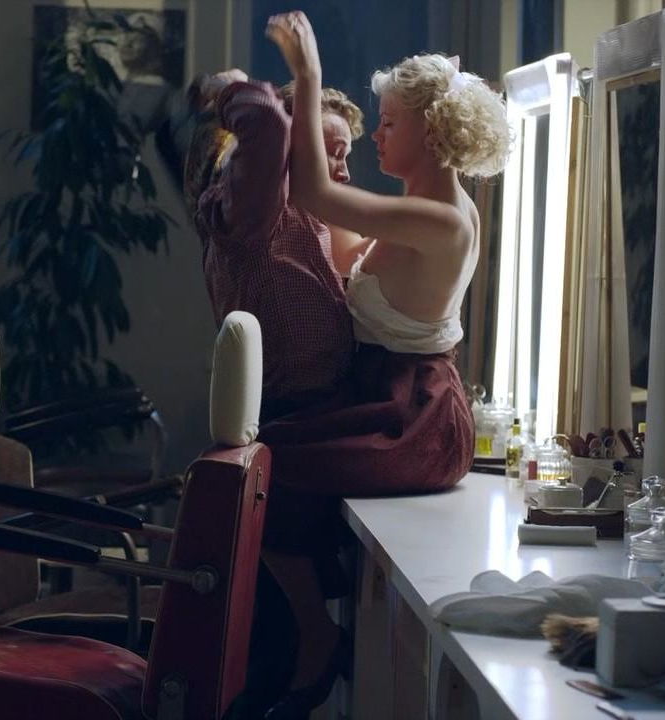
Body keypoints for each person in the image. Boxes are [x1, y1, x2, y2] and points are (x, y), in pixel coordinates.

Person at [258, 11, 510, 717]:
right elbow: (330, 231)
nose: (379, 135)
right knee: (263, 457)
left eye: (390, 122)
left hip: (413, 415)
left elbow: (317, 197)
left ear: (430, 132)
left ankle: (314, 635)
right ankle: (294, 641)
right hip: (382, 398)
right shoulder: (417, 207)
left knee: (264, 467)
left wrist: (308, 75)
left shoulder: (443, 219)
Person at [185, 67, 365, 418]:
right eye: (334, 152)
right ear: (286, 144)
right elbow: (266, 119)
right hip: (293, 420)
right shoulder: (254, 211)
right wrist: (230, 88)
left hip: (322, 410)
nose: (345, 173)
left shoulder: (305, 215)